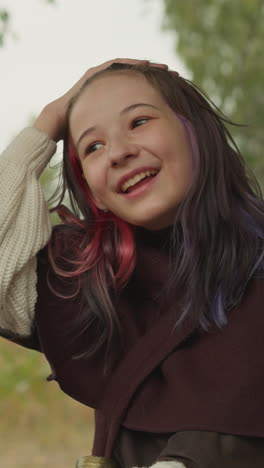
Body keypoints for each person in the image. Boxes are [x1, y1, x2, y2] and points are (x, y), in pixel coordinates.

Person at [0, 57, 264, 468]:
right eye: (93, 146)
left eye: (139, 122)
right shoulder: (82, 276)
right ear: (94, 192)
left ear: (196, 132)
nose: (120, 152)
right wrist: (48, 123)